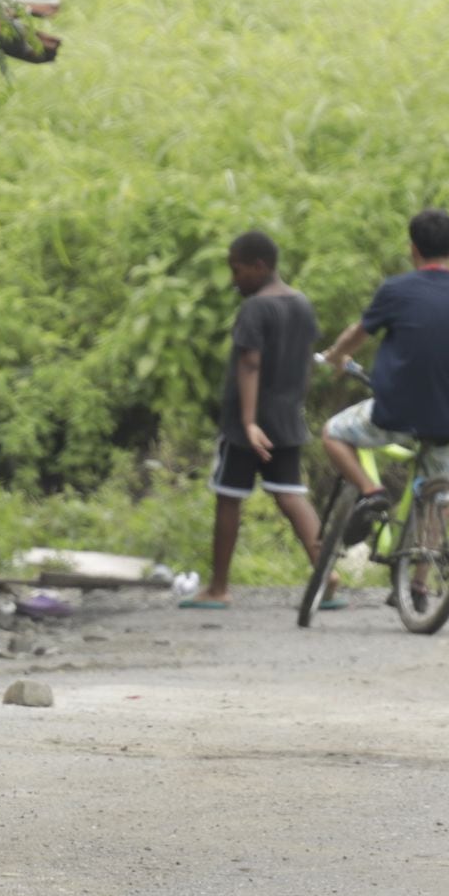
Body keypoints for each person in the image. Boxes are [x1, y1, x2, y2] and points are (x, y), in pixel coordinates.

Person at [317, 206, 449, 545]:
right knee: (439, 495)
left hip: (397, 411)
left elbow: (359, 333)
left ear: (413, 249)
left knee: (333, 433)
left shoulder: (396, 290)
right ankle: (419, 582)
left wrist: (337, 356)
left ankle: (372, 492)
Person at [181, 229, 322, 611]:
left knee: (229, 497)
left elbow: (250, 362)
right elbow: (306, 362)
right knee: (290, 494)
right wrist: (293, 407)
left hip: (248, 427)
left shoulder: (256, 308)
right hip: (288, 418)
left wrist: (248, 423)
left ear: (260, 267)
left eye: (237, 270)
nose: (234, 279)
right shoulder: (302, 304)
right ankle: (327, 574)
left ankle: (219, 587)